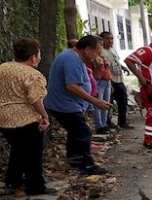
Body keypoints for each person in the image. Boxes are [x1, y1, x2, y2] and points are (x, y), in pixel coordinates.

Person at [0, 38, 56, 195]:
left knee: (18, 150)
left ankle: (13, 182)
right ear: (33, 56)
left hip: (1, 117)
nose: (40, 58)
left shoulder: (0, 69)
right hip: (25, 118)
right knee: (33, 153)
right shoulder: (32, 74)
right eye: (39, 54)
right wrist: (45, 116)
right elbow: (35, 98)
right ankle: (35, 186)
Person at [45, 35, 111, 175]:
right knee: (83, 132)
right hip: (64, 104)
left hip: (68, 103)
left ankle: (74, 159)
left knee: (75, 132)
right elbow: (72, 86)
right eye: (97, 52)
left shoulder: (74, 57)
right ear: (87, 49)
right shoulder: (71, 59)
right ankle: (86, 165)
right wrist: (95, 101)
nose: (97, 56)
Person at [100, 31, 133, 129]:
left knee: (123, 102)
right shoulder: (100, 52)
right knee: (108, 102)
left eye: (111, 38)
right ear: (102, 40)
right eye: (107, 38)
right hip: (109, 80)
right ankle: (107, 122)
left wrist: (123, 68)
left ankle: (122, 122)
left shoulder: (113, 50)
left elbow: (116, 62)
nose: (110, 40)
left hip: (119, 80)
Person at [87, 46, 113, 134]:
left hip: (107, 81)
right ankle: (99, 126)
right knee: (98, 104)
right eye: (99, 45)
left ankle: (104, 124)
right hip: (97, 81)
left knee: (106, 104)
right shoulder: (92, 59)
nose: (101, 47)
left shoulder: (103, 57)